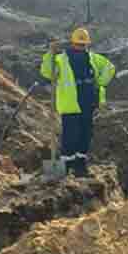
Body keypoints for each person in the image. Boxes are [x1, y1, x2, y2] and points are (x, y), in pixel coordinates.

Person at [41, 27, 116, 177]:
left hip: (88, 103)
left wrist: (100, 82)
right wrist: (50, 54)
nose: (81, 47)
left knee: (85, 135)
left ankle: (80, 166)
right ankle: (65, 168)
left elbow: (110, 67)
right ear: (72, 43)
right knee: (70, 136)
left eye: (83, 45)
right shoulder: (61, 59)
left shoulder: (93, 58)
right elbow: (47, 72)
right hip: (70, 105)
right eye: (78, 44)